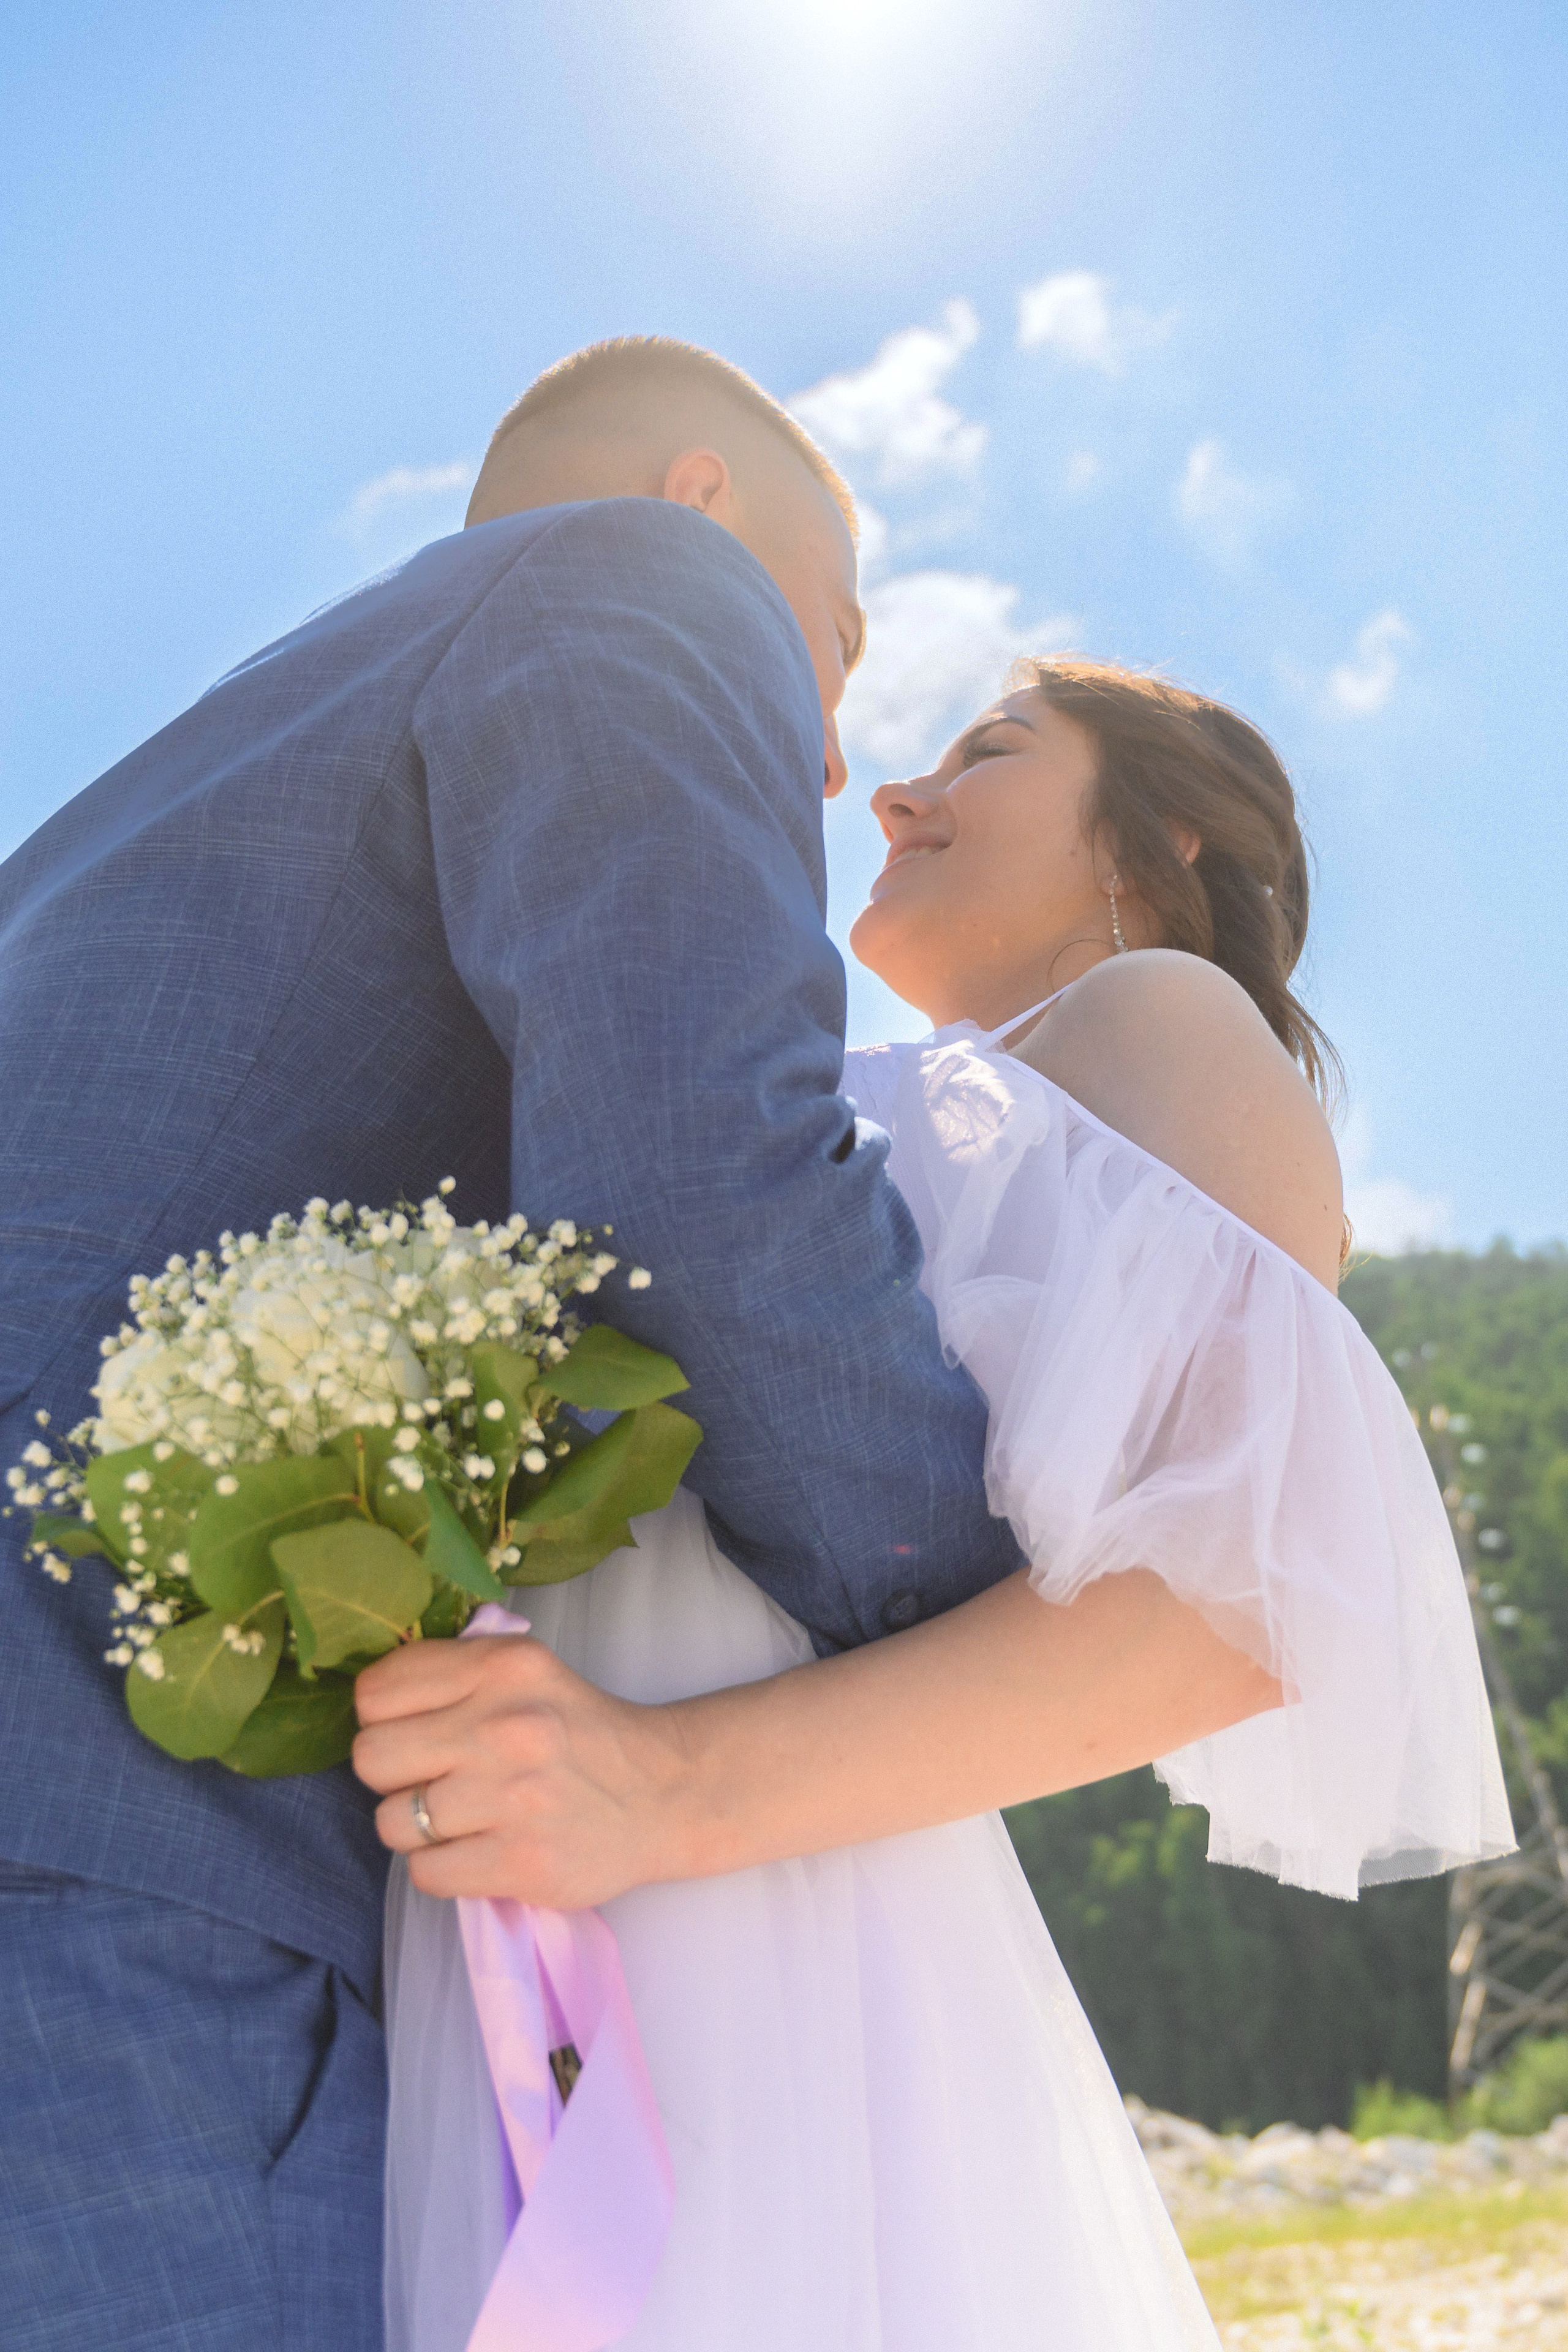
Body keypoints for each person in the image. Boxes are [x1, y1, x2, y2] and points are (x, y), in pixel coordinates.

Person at [0, 339, 1027, 2350]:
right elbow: (697, 1159)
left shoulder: (162, 808)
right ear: (702, 503)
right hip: (112, 1851)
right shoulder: (641, 584)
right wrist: (972, 1637)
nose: (833, 756)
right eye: (833, 640)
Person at [358, 662, 1514, 2349]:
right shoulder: (857, 1103)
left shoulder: (1160, 1015)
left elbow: (1253, 1592)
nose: (892, 800)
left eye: (987, 752)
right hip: (512, 1878)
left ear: (1162, 837)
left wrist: (657, 1793)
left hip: (735, 1906)